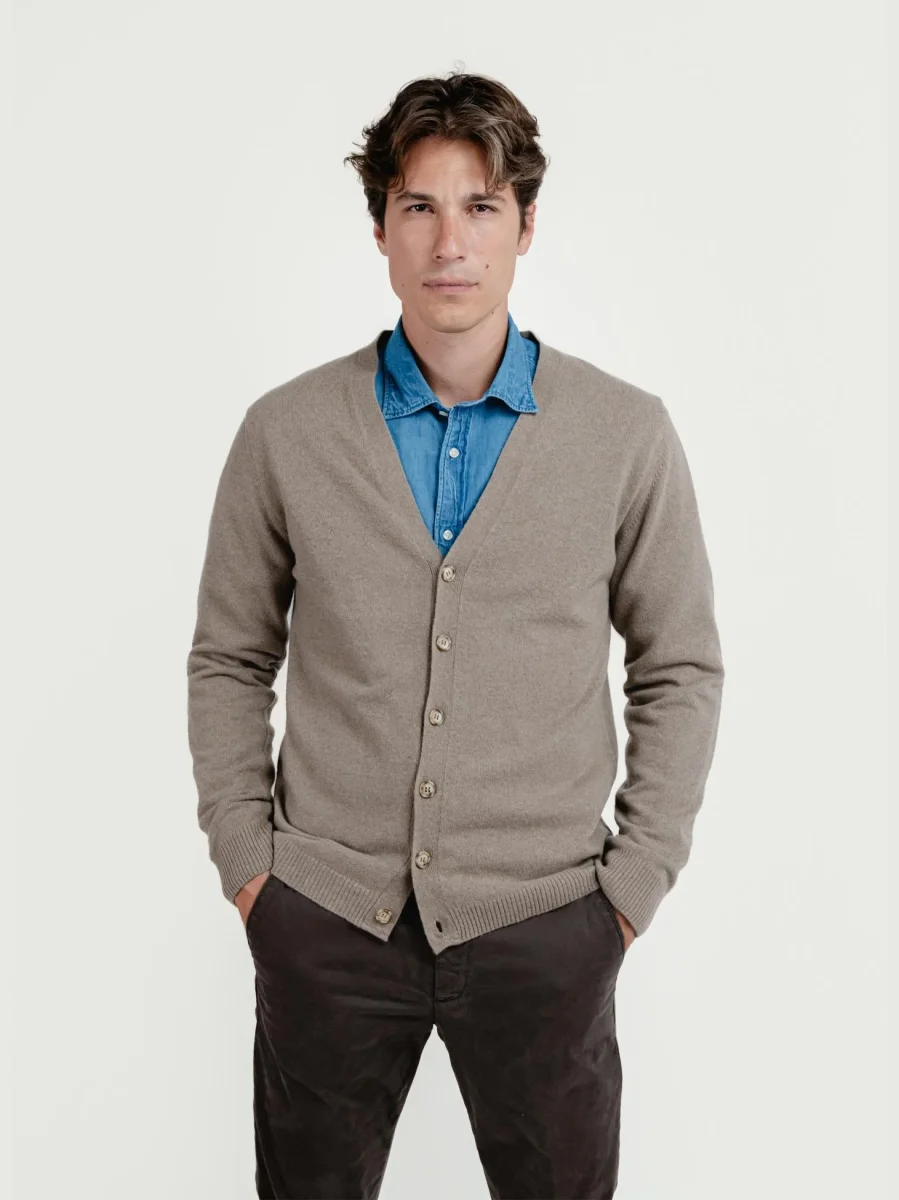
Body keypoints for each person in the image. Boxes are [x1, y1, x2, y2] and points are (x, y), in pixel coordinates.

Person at [187, 69, 725, 1200]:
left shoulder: (625, 435)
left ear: (525, 226)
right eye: (419, 207)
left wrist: (631, 887)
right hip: (324, 916)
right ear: (379, 227)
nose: (449, 242)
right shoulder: (285, 432)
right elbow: (230, 657)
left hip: (549, 920)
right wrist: (250, 867)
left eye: (480, 206)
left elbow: (677, 664)